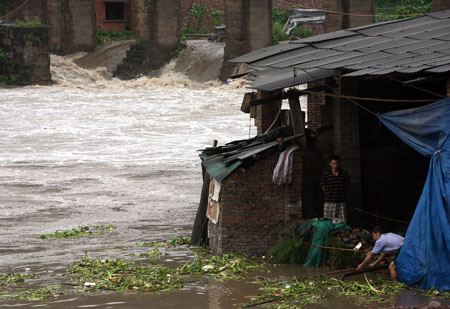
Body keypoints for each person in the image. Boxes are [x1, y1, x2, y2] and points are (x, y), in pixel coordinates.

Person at [320, 154, 350, 224]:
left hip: (341, 202)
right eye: (333, 164)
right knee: (328, 222)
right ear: (330, 164)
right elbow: (322, 185)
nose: (335, 166)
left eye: (336, 164)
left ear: (338, 164)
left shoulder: (344, 174)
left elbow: (347, 185)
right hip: (329, 202)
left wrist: (341, 193)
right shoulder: (326, 174)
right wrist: (329, 193)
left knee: (342, 223)